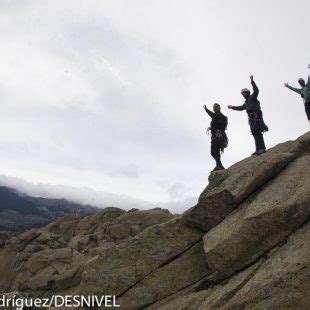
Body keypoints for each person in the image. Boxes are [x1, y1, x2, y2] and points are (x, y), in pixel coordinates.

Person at [228, 75, 268, 155]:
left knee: (257, 132)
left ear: (247, 93)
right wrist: (232, 107)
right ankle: (258, 149)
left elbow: (256, 90)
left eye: (243, 93)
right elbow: (241, 108)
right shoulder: (246, 102)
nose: (243, 95)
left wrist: (252, 81)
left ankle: (262, 148)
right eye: (242, 94)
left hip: (256, 115)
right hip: (252, 118)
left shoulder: (252, 97)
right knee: (254, 133)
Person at [203, 103, 228, 171]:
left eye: (216, 107)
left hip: (218, 136)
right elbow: (211, 114)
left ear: (219, 108)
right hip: (215, 136)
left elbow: (223, 124)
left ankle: (219, 165)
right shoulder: (216, 115)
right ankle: (219, 165)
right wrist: (206, 109)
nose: (214, 108)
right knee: (214, 152)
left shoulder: (220, 115)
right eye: (214, 107)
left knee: (214, 151)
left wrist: (219, 131)